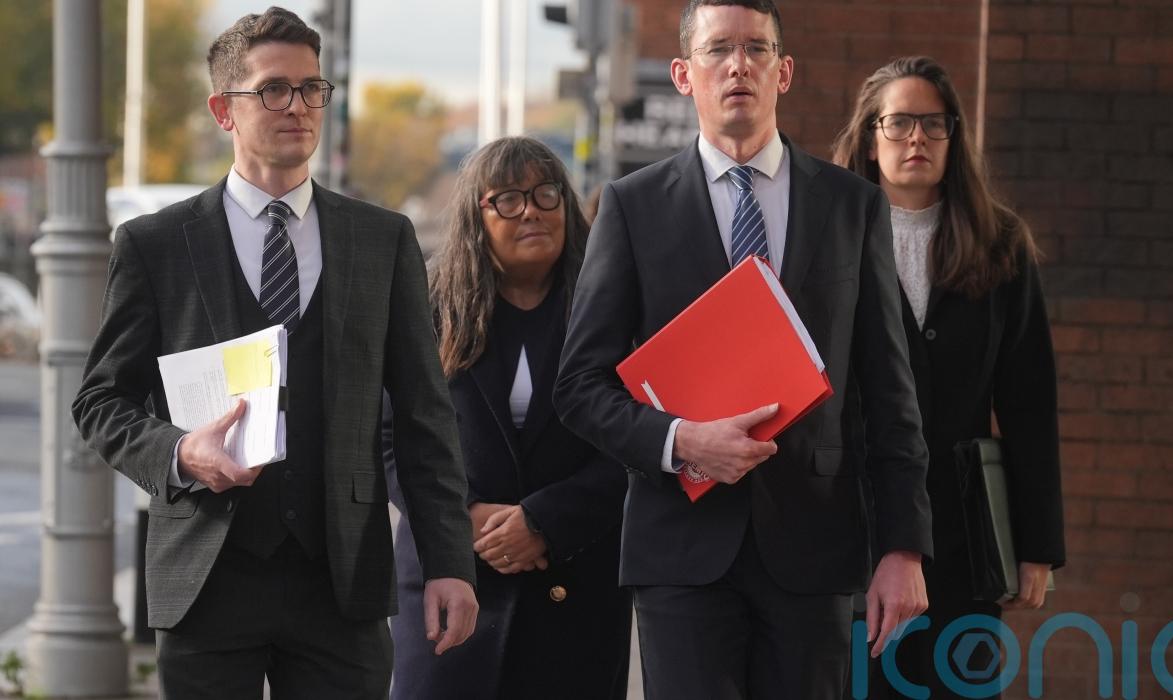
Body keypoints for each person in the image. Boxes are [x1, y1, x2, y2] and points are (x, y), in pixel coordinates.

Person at [71, 7, 478, 698]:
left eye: (311, 88)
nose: (298, 106)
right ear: (223, 110)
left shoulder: (382, 240)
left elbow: (423, 417)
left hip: (341, 581)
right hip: (207, 577)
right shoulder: (155, 244)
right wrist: (181, 453)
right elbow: (100, 402)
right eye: (273, 90)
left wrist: (449, 561)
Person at [553, 1, 934, 698]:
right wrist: (681, 441)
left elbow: (890, 394)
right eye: (719, 49)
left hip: (815, 547)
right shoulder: (633, 206)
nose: (739, 66)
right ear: (683, 74)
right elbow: (579, 386)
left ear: (783, 72)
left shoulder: (851, 206)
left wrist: (903, 546)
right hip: (681, 548)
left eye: (757, 49)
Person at [832, 56, 1065, 698]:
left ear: (954, 137)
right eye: (899, 122)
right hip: (854, 525)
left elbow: (1029, 401)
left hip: (964, 532)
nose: (917, 138)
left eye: (934, 124)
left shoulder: (999, 242)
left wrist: (1037, 543)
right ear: (870, 136)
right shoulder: (831, 239)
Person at [388, 136, 632, 699]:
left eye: (546, 193)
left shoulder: (616, 309)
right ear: (476, 217)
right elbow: (387, 435)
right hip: (450, 581)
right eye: (508, 198)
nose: (531, 211)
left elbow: (635, 440)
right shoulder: (428, 306)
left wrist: (545, 521)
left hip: (576, 582)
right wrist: (462, 516)